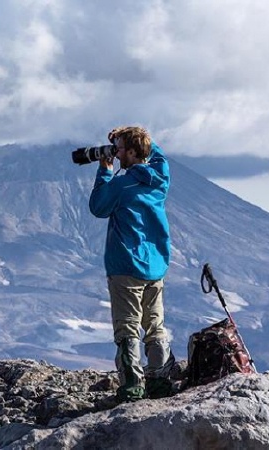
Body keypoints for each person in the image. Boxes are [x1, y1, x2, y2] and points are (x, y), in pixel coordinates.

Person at [88, 126, 175, 402]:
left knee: (127, 329)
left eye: (122, 148)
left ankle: (133, 387)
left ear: (134, 152)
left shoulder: (122, 185)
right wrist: (132, 134)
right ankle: (160, 383)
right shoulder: (160, 178)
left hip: (126, 266)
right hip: (156, 266)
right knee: (155, 325)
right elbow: (157, 155)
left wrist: (104, 169)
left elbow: (98, 207)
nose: (117, 153)